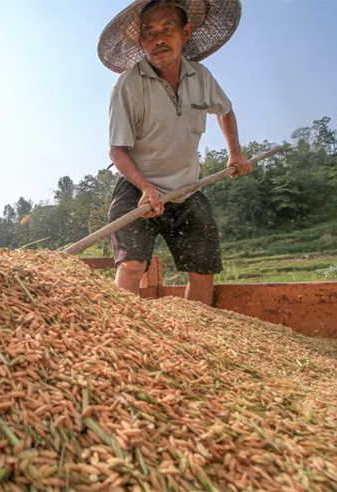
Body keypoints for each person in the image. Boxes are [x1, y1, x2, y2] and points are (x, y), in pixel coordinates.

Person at [98, 0, 250, 305]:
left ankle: (197, 338)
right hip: (138, 189)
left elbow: (226, 111)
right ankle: (121, 339)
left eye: (167, 29)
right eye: (150, 33)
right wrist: (145, 187)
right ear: (141, 42)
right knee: (131, 265)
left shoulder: (201, 77)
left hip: (187, 189)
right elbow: (117, 151)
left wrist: (235, 152)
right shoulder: (128, 85)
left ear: (186, 32)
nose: (159, 39)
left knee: (203, 270)